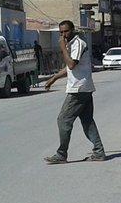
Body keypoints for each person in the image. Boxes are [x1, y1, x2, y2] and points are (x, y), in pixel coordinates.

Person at [43, 20, 105, 164]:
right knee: (87, 121)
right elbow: (71, 68)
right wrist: (54, 78)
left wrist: (63, 48)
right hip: (84, 88)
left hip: (78, 89)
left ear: (73, 30)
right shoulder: (72, 44)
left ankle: (61, 154)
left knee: (63, 119)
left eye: (66, 31)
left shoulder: (78, 43)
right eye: (61, 32)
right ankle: (99, 152)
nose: (63, 35)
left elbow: (71, 65)